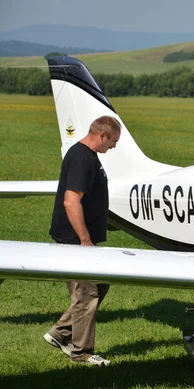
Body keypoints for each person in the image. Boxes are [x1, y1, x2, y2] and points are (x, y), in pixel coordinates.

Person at [43, 115, 121, 366]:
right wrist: (85, 241)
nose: (114, 147)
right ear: (102, 135)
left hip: (79, 241)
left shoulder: (87, 156)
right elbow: (70, 201)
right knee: (86, 296)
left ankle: (60, 333)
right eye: (113, 141)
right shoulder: (82, 158)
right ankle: (82, 353)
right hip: (74, 243)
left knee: (100, 285)